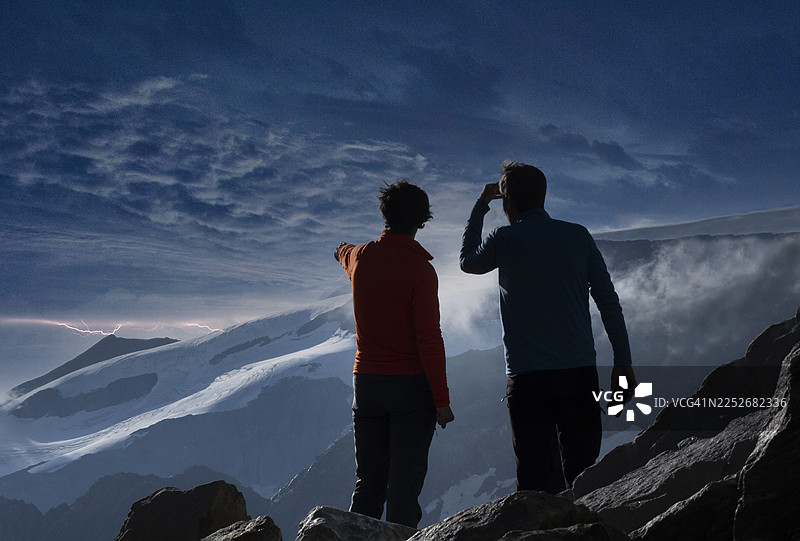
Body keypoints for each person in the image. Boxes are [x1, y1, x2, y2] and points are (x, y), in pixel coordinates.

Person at [459, 161, 635, 494]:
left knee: (535, 485)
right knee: (584, 480)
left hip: (527, 381)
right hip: (578, 376)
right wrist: (623, 364)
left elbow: (468, 262)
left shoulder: (504, 238)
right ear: (543, 196)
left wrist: (481, 206)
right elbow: (609, 304)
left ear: (507, 204)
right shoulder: (578, 236)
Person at [334, 179, 455, 527]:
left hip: (367, 385)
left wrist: (341, 248)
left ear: (384, 215)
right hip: (410, 391)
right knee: (403, 490)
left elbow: (344, 252)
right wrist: (441, 400)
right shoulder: (421, 271)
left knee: (368, 484)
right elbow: (429, 338)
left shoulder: (360, 258)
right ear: (422, 220)